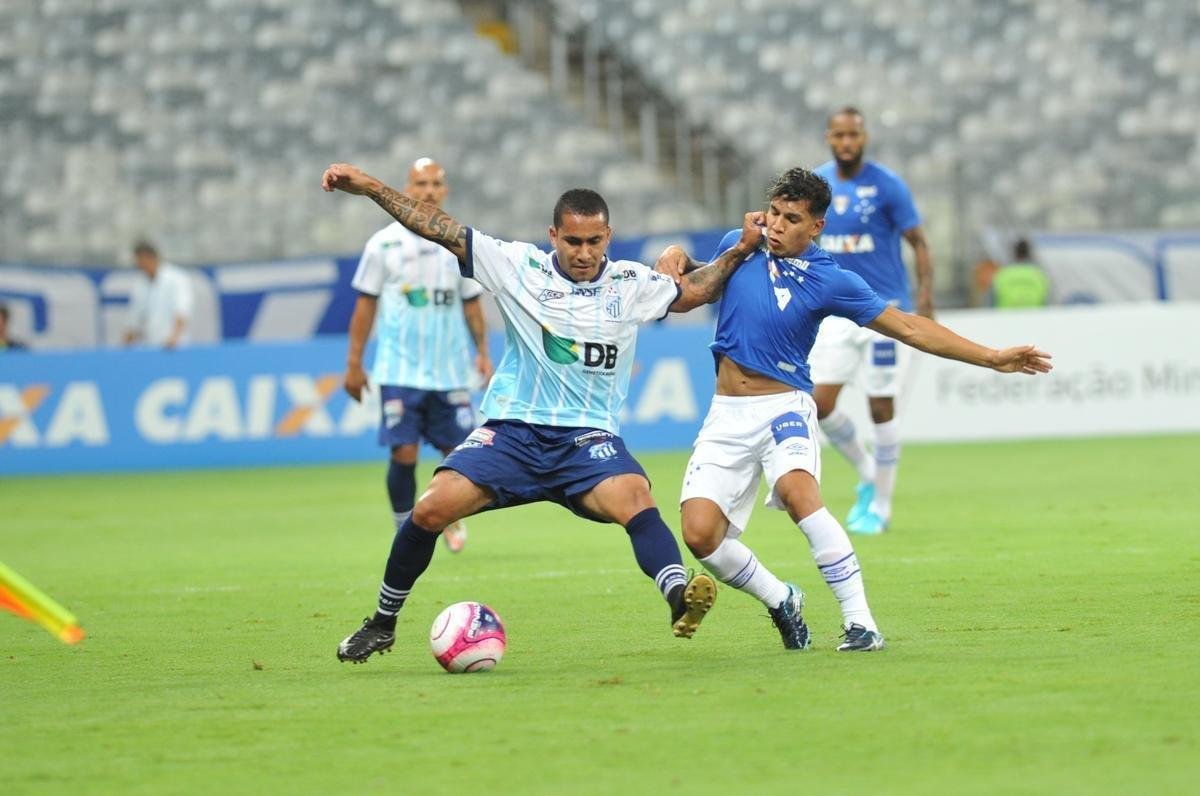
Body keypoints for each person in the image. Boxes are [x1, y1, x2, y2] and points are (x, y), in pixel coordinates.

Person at [321, 162, 763, 664]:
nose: (584, 253)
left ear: (608, 236)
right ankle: (382, 622)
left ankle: (678, 596)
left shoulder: (630, 283)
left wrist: (743, 249)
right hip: (513, 433)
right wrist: (372, 188)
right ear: (554, 235)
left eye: (595, 241)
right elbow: (435, 226)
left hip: (586, 441)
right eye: (573, 241)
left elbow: (696, 290)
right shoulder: (517, 265)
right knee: (429, 510)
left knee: (636, 496)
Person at [659, 167, 1051, 652]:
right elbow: (694, 286)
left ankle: (861, 622)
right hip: (725, 415)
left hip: (784, 406)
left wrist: (991, 357)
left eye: (792, 219)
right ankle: (782, 599)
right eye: (775, 213)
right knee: (700, 536)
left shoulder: (831, 280)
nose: (777, 226)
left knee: (799, 494)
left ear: (816, 227)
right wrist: (677, 255)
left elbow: (908, 327)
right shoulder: (742, 245)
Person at [344, 158, 494, 554]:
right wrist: (353, 364)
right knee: (404, 451)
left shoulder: (459, 245)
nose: (428, 190)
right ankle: (402, 527)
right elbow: (365, 308)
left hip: (449, 370)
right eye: (420, 183)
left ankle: (449, 512)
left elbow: (472, 305)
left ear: (445, 190)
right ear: (407, 188)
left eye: (436, 183)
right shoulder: (383, 244)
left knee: (460, 456)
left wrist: (483, 353)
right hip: (399, 369)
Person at [811, 107, 935, 534]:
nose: (847, 143)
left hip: (884, 309)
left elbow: (918, 240)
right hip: (835, 312)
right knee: (820, 404)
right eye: (839, 135)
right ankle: (868, 473)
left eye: (854, 135)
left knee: (881, 406)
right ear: (829, 137)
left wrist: (926, 298)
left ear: (864, 138)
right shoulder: (818, 185)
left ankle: (881, 505)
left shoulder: (887, 186)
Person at [122, 241, 194, 349]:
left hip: (174, 347)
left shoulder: (176, 278)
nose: (138, 264)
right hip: (152, 346)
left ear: (149, 258)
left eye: (140, 260)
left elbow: (182, 310)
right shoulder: (140, 284)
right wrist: (128, 339)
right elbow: (135, 317)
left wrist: (174, 336)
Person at [992, 238, 1051, 309]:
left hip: (1006, 317)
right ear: (1029, 254)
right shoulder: (1039, 275)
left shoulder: (1003, 274)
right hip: (1033, 317)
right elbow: (1047, 301)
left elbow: (992, 301)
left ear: (1014, 253)